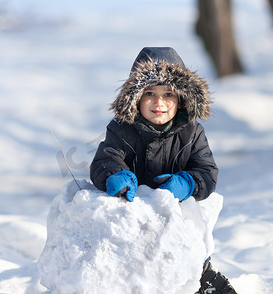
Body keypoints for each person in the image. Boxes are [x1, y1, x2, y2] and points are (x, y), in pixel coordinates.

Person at [90, 47, 236, 294]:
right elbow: (106, 158)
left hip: (177, 214)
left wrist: (188, 183)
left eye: (168, 93)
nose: (159, 102)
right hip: (132, 212)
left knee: (188, 249)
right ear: (135, 98)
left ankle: (202, 280)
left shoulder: (191, 132)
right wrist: (114, 175)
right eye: (150, 93)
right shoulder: (121, 129)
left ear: (182, 98)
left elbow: (206, 169)